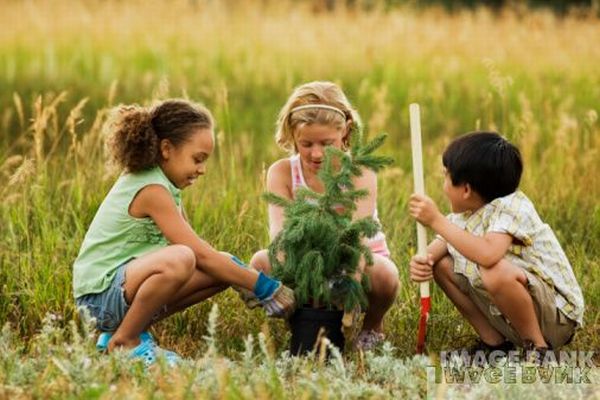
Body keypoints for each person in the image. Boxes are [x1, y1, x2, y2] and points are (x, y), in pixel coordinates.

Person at [73, 99, 295, 366]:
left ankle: (114, 336)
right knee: (182, 258)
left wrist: (238, 275)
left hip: (120, 291)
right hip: (98, 298)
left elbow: (206, 256)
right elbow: (197, 254)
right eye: (197, 159)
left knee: (218, 269)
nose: (202, 169)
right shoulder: (151, 190)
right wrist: (263, 286)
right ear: (167, 148)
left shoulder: (166, 187)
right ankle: (126, 341)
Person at [249, 81, 399, 351]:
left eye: (327, 143)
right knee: (260, 262)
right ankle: (299, 319)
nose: (316, 153)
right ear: (292, 135)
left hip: (359, 260)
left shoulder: (360, 172)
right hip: (304, 256)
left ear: (345, 132)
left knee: (386, 274)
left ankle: (372, 325)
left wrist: (350, 281)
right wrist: (295, 268)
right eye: (306, 143)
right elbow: (280, 234)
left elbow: (359, 235)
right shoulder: (282, 172)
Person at [408, 131, 584, 357]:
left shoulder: (512, 207)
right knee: (441, 264)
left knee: (494, 271)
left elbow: (489, 254)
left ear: (466, 189)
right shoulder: (466, 215)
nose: (443, 186)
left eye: (446, 177)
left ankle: (538, 350)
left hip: (557, 317)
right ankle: (495, 345)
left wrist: (435, 220)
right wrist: (423, 261)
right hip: (513, 316)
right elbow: (439, 248)